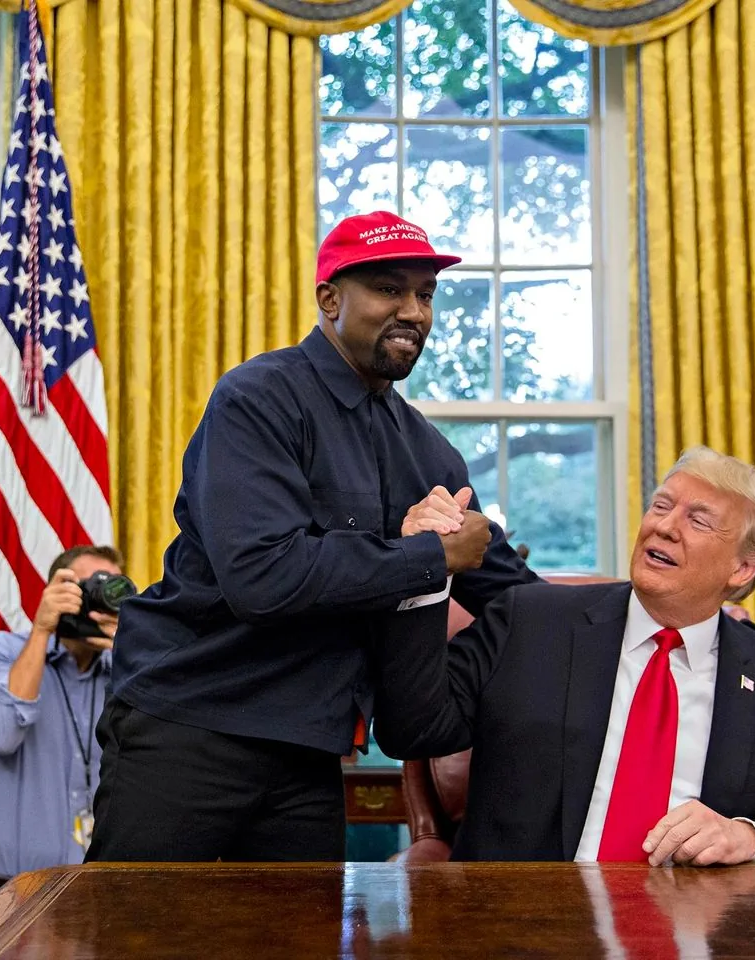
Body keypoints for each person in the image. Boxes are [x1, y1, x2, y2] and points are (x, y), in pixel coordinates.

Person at [88, 211, 538, 864]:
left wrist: (621, 619)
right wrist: (431, 555)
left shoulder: (427, 452)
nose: (413, 310)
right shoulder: (258, 400)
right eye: (389, 289)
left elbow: (510, 591)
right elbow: (263, 577)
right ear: (330, 299)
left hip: (309, 750)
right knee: (136, 940)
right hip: (190, 726)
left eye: (425, 294)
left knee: (298, 941)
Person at [374, 446, 755, 863]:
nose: (664, 527)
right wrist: (423, 571)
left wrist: (749, 837)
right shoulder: (529, 622)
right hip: (527, 929)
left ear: (743, 568)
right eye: (661, 506)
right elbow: (410, 730)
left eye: (698, 521)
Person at [0, 545, 122, 919]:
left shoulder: (125, 669)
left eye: (111, 588)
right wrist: (42, 631)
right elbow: (1, 733)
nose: (101, 598)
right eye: (89, 587)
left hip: (95, 894)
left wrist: (132, 652)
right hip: (6, 895)